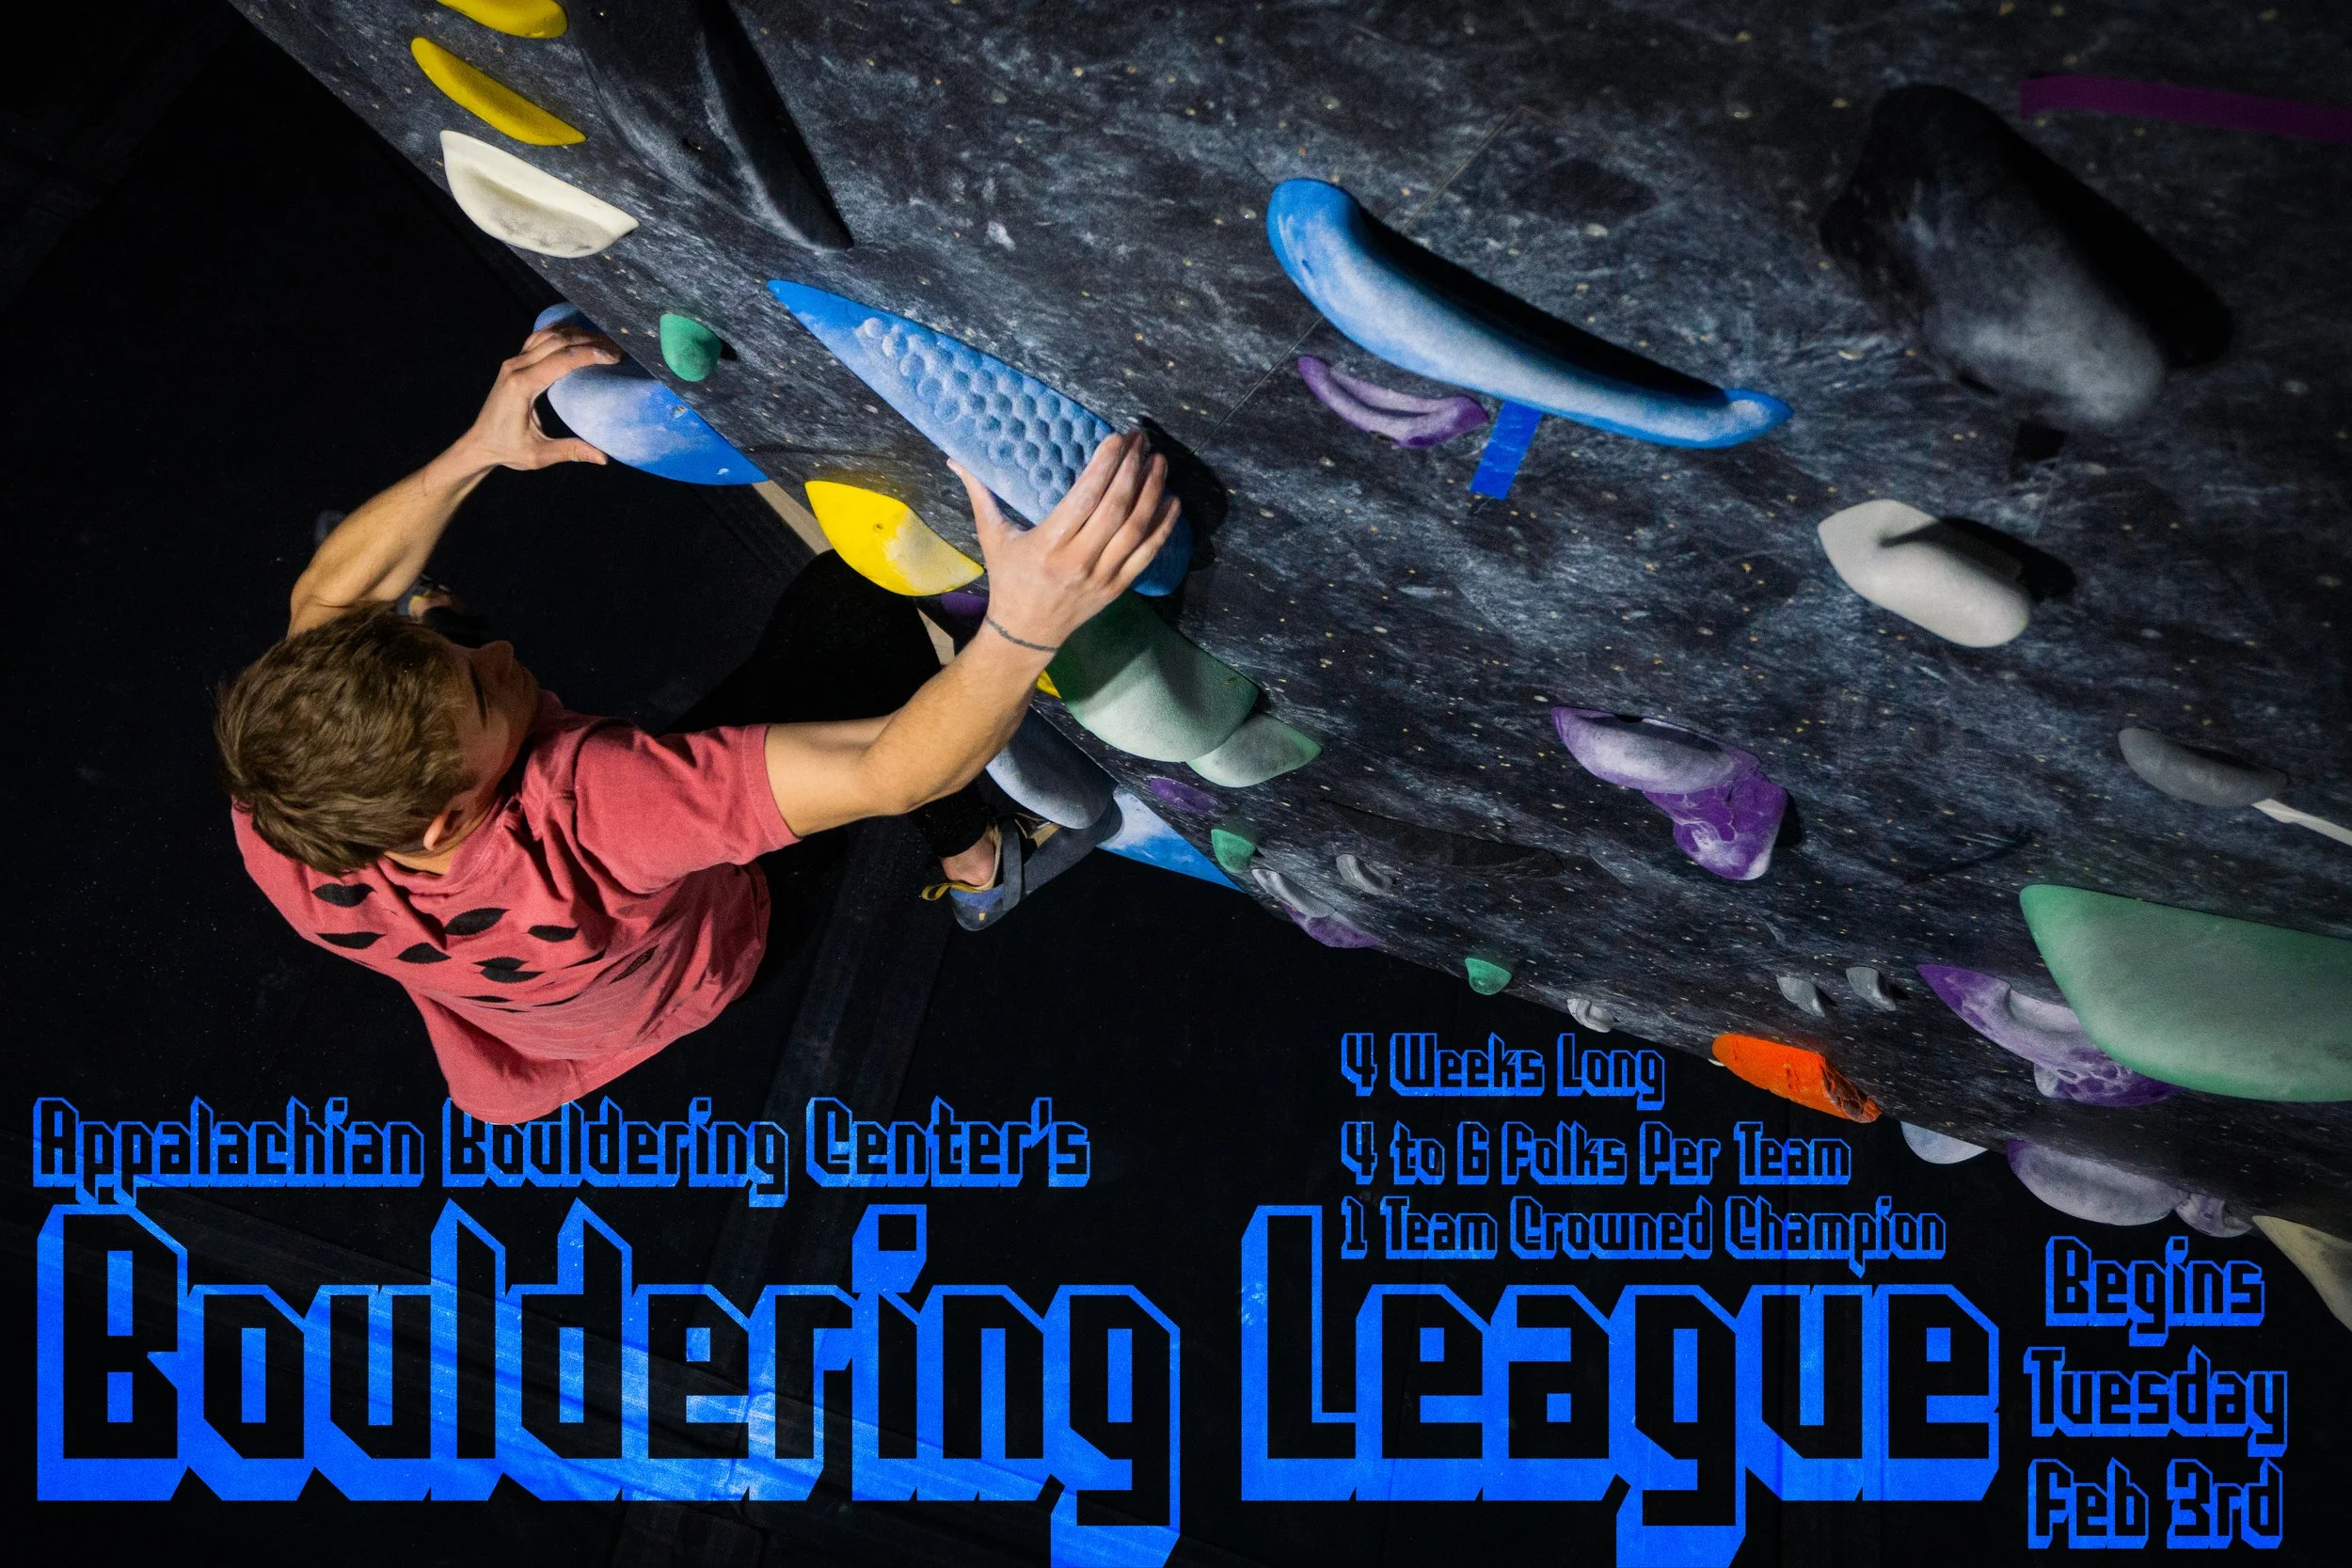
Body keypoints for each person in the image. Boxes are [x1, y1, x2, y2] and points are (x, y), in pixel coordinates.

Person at [215, 322, 1176, 1124]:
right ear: (448, 819)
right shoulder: (603, 807)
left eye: (459, 660)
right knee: (859, 613)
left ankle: (435, 653)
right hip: (709, 948)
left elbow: (326, 601)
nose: (503, 659)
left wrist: (477, 450)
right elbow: (888, 772)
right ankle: (983, 866)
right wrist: (1025, 621)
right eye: (476, 688)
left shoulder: (283, 808)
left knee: (428, 633)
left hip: (533, 1030)